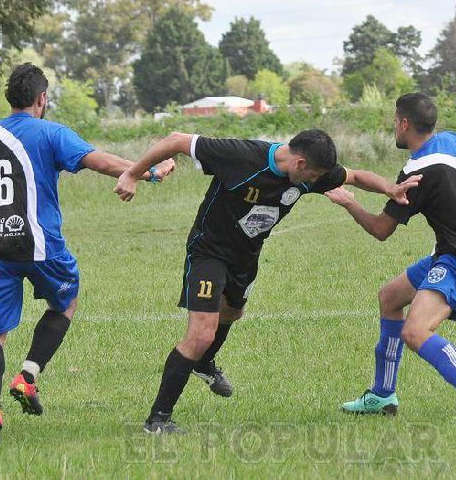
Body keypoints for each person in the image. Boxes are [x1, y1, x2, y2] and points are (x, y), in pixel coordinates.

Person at [113, 129, 421, 433]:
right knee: (200, 334)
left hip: (246, 256)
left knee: (233, 312)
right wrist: (132, 173)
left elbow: (355, 176)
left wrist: (389, 189)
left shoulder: (312, 173)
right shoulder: (241, 156)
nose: (317, 183)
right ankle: (158, 420)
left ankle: (204, 364)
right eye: (313, 176)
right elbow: (177, 140)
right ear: (299, 163)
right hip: (210, 251)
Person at [0, 62, 175, 441]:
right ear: (42, 98)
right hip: (41, 246)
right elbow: (100, 161)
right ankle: (27, 376)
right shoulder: (51, 132)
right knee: (66, 301)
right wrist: (147, 171)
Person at [323, 92, 456, 423]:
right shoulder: (454, 140)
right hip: (453, 252)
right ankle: (382, 395)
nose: (394, 126)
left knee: (415, 332)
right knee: (390, 297)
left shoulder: (416, 171)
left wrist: (349, 203)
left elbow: (382, 230)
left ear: (405, 123)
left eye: (395, 121)